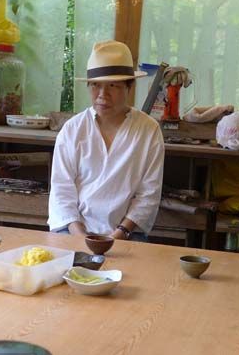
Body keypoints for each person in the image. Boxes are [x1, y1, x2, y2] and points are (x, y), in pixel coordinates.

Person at [48, 40, 164, 241]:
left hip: (127, 232)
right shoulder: (73, 129)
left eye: (113, 86)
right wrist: (80, 236)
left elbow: (148, 194)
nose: (103, 95)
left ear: (129, 86)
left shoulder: (148, 130)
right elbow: (61, 190)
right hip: (73, 229)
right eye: (95, 85)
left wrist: (119, 234)